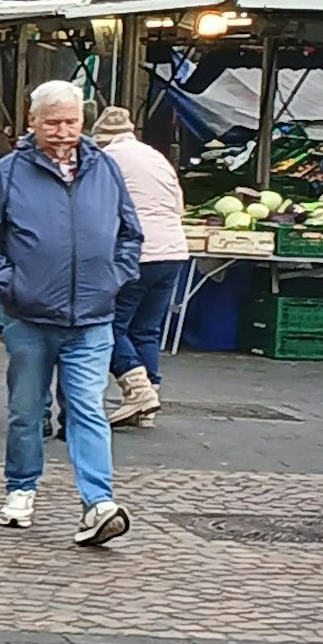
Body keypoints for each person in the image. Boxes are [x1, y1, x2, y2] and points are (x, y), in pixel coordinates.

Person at [0, 80, 142, 547]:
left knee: (88, 409)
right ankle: (21, 487)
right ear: (33, 122)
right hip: (29, 316)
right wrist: (10, 285)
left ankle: (98, 502)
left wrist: (114, 277)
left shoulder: (105, 168)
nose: (64, 132)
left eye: (72, 122)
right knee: (27, 409)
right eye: (53, 122)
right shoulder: (8, 172)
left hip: (92, 316)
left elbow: (130, 233)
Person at [92, 105, 188, 428]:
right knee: (147, 328)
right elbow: (178, 205)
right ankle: (149, 401)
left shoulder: (108, 160)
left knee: (108, 325)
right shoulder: (155, 157)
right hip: (173, 250)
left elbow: (98, 207)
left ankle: (138, 391)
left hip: (137, 253)